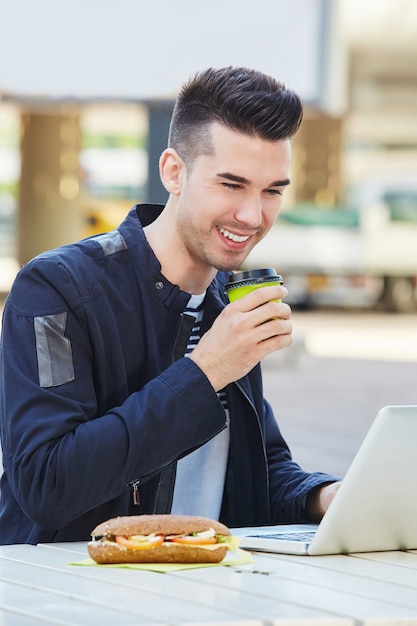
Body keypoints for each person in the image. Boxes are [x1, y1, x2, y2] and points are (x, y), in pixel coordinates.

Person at [0, 66, 340, 545]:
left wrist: (331, 496)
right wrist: (205, 372)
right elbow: (47, 485)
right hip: (69, 594)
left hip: (200, 589)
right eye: (231, 184)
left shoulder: (228, 300)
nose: (252, 215)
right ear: (174, 172)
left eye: (272, 191)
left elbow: (253, 472)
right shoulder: (56, 288)